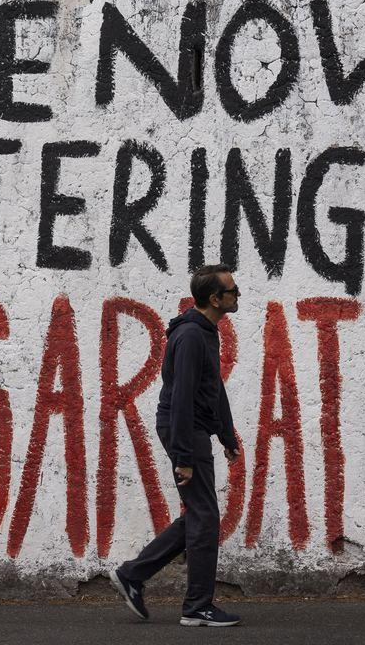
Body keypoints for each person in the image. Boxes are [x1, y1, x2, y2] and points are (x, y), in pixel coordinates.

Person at [109, 264, 243, 627]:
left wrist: (227, 435)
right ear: (214, 299)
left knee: (198, 515)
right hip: (184, 429)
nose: (237, 294)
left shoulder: (206, 332)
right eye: (231, 290)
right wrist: (184, 456)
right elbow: (182, 396)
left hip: (193, 428)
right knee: (205, 517)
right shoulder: (191, 337)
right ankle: (197, 606)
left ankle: (133, 574)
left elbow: (213, 387)